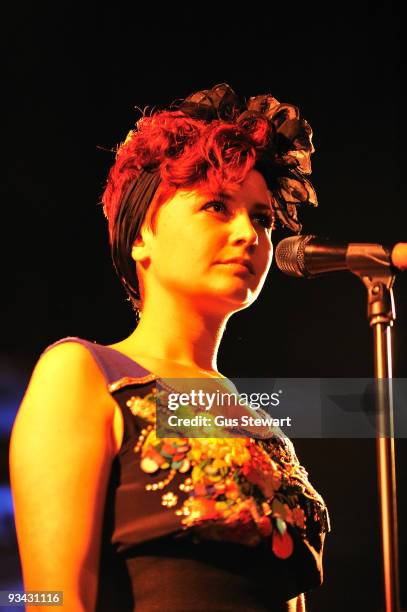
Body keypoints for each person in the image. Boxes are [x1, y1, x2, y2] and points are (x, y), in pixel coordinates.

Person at [10, 83, 330, 611]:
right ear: (141, 237)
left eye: (262, 218)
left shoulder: (263, 426)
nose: (250, 234)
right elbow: (49, 597)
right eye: (216, 206)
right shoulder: (84, 375)